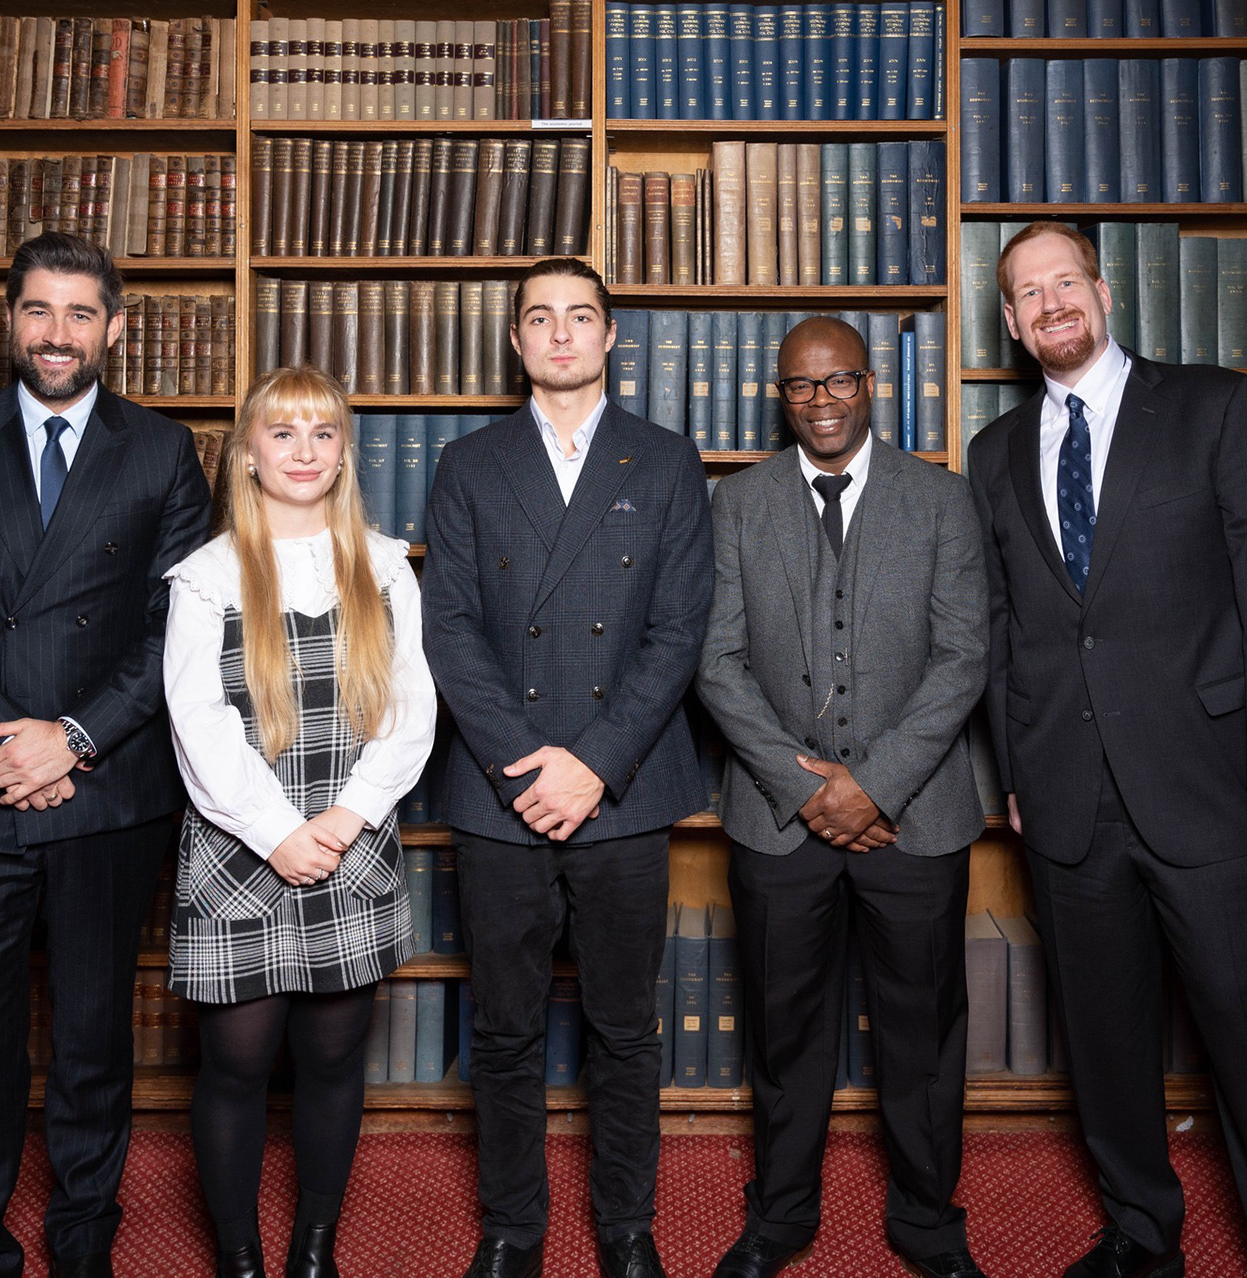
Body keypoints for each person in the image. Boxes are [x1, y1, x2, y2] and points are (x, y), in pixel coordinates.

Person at [964, 221, 1247, 1278]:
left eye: (1064, 283)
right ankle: (1141, 1238)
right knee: (1106, 1043)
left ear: (1101, 289)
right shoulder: (993, 452)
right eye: (1025, 293)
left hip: (1215, 793)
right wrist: (1017, 778)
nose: (1049, 305)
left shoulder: (1214, 407)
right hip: (1065, 802)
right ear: (1007, 321)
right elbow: (1007, 632)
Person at [0, 231, 213, 1277]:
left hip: (103, 790)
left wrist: (71, 737)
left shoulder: (163, 450)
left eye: (77, 314)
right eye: (36, 311)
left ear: (115, 326)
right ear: (8, 322)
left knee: (93, 1043)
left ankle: (83, 1246)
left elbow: (179, 631)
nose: (55, 334)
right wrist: (6, 740)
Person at [422, 257, 714, 1278]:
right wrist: (525, 762)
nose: (559, 334)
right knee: (502, 1030)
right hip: (501, 793)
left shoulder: (666, 461)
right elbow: (449, 630)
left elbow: (678, 634)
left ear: (610, 335)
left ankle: (627, 1230)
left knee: (624, 1028)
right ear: (515, 341)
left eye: (578, 316)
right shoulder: (466, 462)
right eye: (539, 318)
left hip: (623, 789)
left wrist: (592, 763)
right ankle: (511, 1229)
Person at [693, 317, 991, 1278]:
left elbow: (964, 658)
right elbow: (715, 660)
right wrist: (802, 784)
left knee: (923, 1034)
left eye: (839, 382)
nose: (821, 402)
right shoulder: (734, 506)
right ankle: (779, 1217)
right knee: (786, 1036)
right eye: (800, 387)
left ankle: (927, 1222)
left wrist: (875, 784)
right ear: (779, 397)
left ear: (872, 386)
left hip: (918, 816)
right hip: (779, 824)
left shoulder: (942, 500)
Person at [163, 365, 436, 1278]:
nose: (304, 452)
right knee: (237, 1066)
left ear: (344, 454)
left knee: (331, 1060)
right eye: (282, 434)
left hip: (351, 842)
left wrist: (348, 818)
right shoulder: (204, 578)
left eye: (323, 434)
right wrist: (281, 831)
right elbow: (198, 725)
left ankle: (313, 1249)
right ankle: (238, 1258)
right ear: (247, 455)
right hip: (242, 846)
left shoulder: (385, 564)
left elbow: (410, 712)